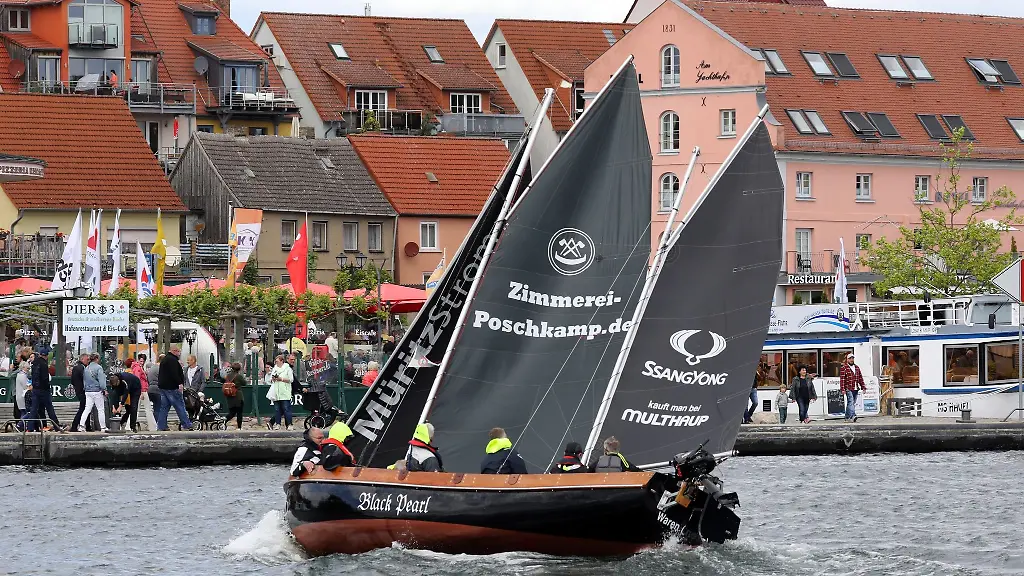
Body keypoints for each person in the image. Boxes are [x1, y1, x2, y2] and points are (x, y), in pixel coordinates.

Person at [157, 346, 193, 431]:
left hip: (163, 387)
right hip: (172, 387)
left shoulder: (165, 359)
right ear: (174, 351)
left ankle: (161, 426)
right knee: (180, 405)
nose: (179, 353)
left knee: (164, 408)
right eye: (178, 352)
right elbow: (174, 373)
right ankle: (187, 424)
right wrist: (179, 383)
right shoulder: (172, 360)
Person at [78, 353, 108, 433]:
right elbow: (102, 382)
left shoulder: (86, 368)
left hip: (88, 391)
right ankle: (103, 427)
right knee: (100, 409)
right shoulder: (99, 368)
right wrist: (104, 389)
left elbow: (84, 380)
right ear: (97, 358)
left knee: (87, 408)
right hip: (97, 391)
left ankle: (81, 426)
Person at [267, 355, 294, 430]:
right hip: (276, 392)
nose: (276, 363)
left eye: (277, 361)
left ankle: (289, 424)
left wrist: (281, 379)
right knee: (277, 409)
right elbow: (270, 379)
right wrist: (273, 379)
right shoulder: (274, 369)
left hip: (285, 391)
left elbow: (291, 380)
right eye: (275, 361)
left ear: (282, 361)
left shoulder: (287, 369)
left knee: (286, 409)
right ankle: (277, 424)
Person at [840, 352, 867, 422]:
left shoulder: (857, 367)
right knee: (851, 401)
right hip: (848, 388)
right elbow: (842, 379)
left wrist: (863, 387)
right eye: (850, 358)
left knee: (851, 403)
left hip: (856, 388)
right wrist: (842, 389)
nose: (851, 360)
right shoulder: (844, 368)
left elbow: (860, 378)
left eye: (852, 358)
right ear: (847, 360)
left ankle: (847, 417)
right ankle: (853, 416)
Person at [132, 354, 156, 431]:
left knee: (136, 408)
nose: (142, 362)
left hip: (140, 390)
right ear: (138, 360)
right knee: (148, 409)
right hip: (142, 390)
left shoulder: (137, 367)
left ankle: (130, 425)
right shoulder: (138, 368)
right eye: (141, 361)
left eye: (143, 361)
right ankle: (152, 426)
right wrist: (141, 392)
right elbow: (138, 379)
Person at [69, 353, 92, 432]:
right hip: (83, 391)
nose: (88, 361)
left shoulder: (76, 367)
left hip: (78, 390)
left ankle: (87, 426)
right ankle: (75, 426)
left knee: (86, 408)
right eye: (87, 359)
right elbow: (86, 379)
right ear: (82, 359)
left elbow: (72, 380)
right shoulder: (82, 368)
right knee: (84, 408)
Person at [222, 361, 247, 430]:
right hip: (238, 396)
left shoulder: (228, 375)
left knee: (232, 412)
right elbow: (244, 383)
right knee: (239, 413)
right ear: (239, 369)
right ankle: (239, 427)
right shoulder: (239, 376)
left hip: (229, 396)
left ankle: (223, 421)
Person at [15, 360, 30, 431]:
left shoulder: (19, 375)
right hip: (22, 397)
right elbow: (25, 386)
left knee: (23, 412)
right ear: (23, 367)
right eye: (27, 368)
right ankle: (20, 425)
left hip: (19, 396)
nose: (28, 370)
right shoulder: (22, 376)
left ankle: (21, 426)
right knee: (26, 412)